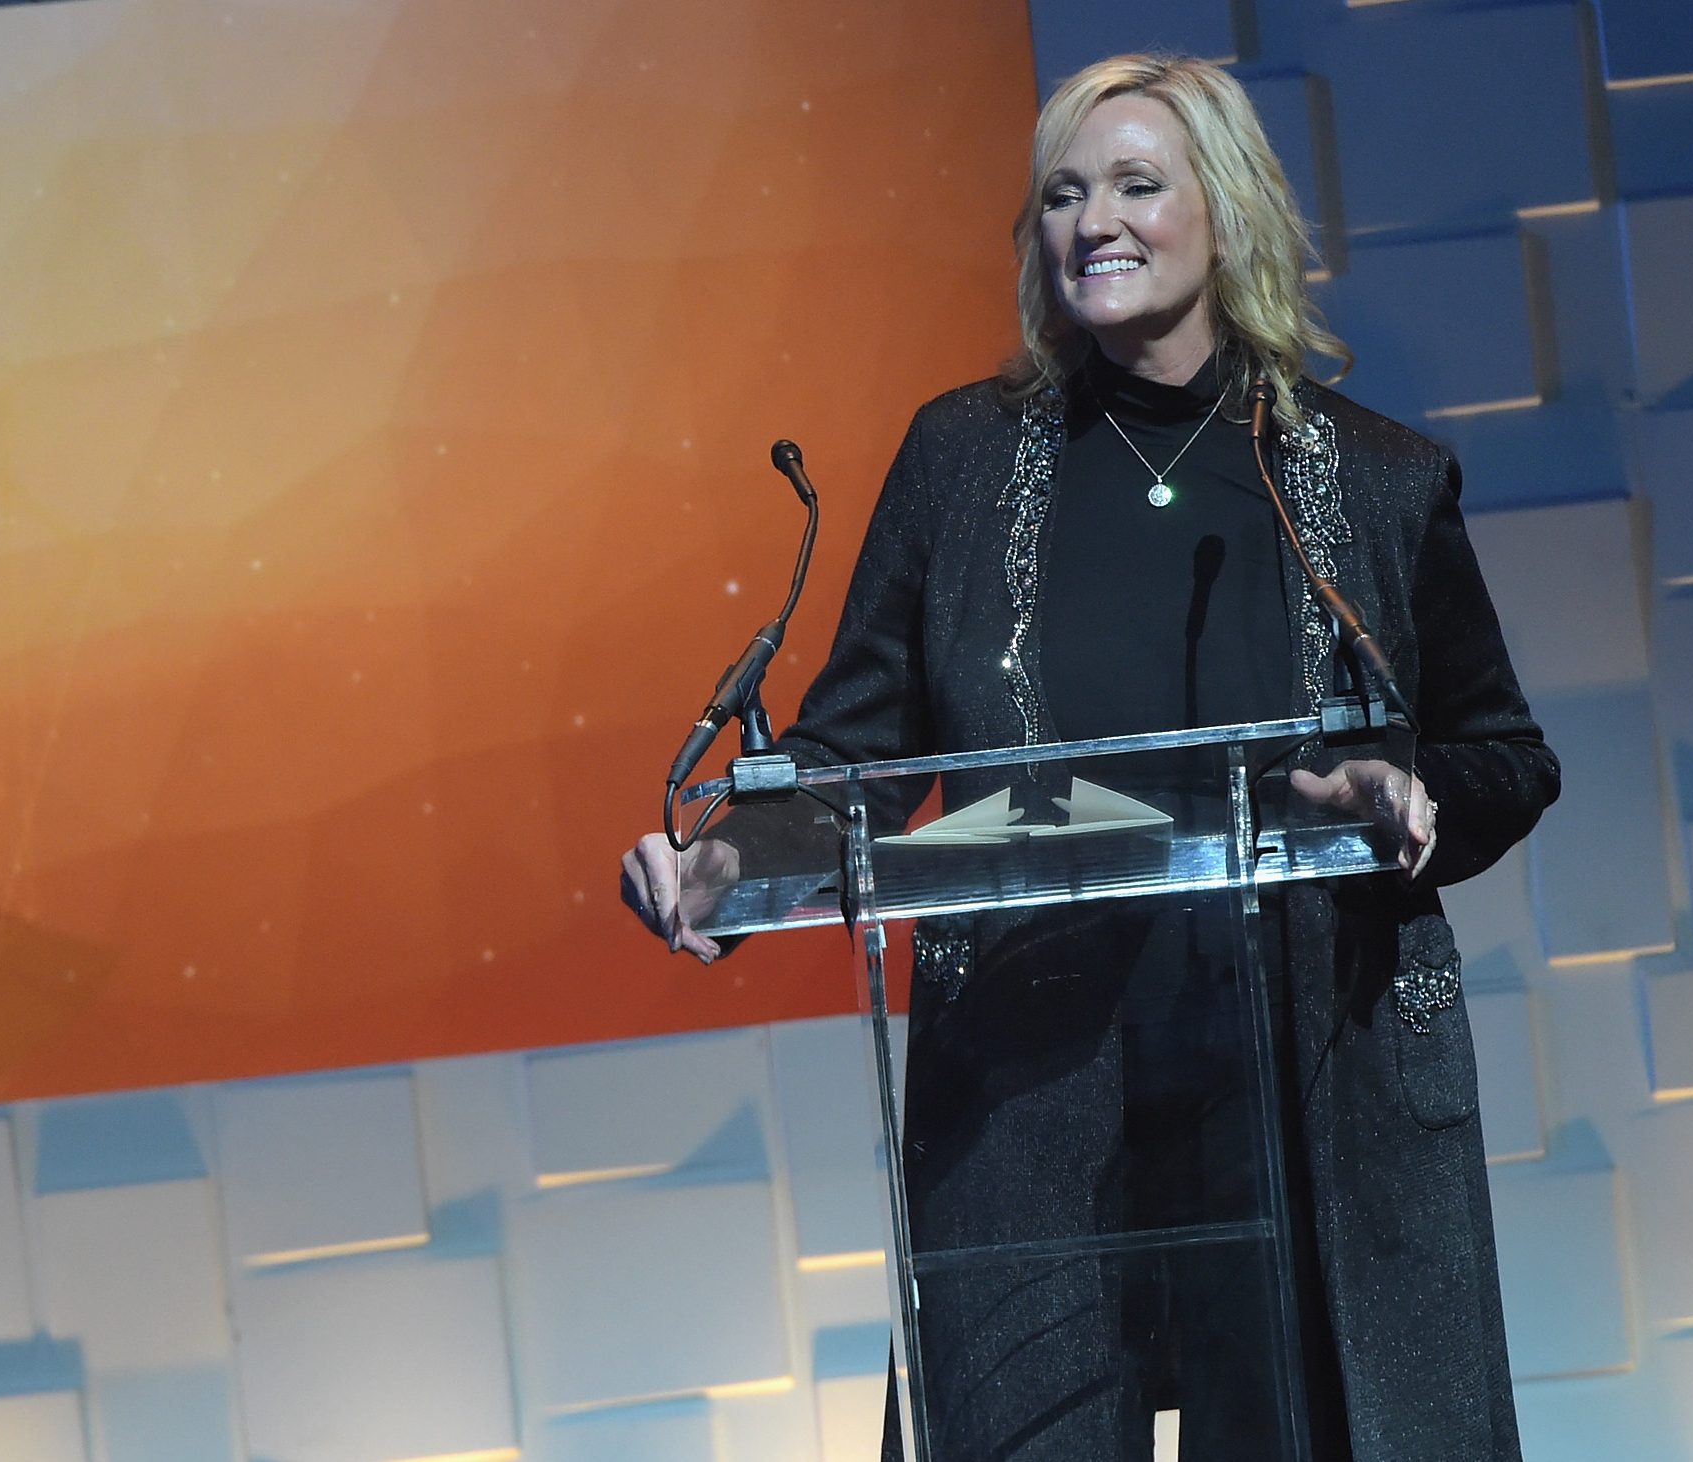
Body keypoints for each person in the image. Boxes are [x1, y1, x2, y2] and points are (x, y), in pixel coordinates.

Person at [621, 53, 1555, 1462]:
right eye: (1062, 194)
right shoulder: (962, 459)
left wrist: (1405, 796)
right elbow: (849, 753)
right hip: (1035, 1091)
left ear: (1223, 211)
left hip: (1307, 1097)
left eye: (1133, 184)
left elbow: (1504, 753)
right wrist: (728, 865)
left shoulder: (1371, 480)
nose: (1091, 222)